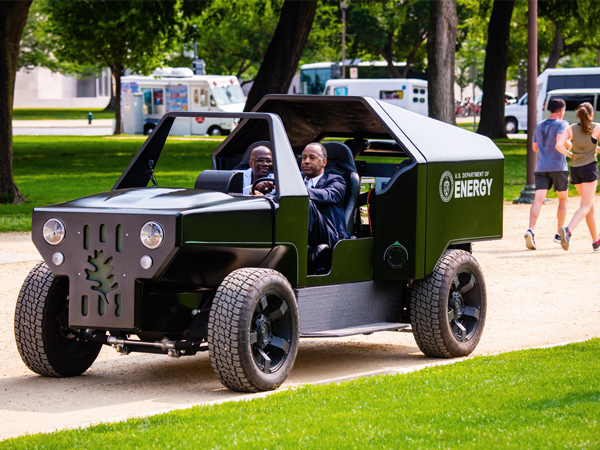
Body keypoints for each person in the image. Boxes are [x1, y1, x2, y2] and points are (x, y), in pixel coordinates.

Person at [524, 98, 571, 250]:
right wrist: (570, 145)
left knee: (538, 200)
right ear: (561, 111)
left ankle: (530, 229)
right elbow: (560, 141)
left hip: (541, 167)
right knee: (563, 199)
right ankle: (559, 232)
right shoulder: (562, 124)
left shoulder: (540, 125)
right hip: (558, 166)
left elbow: (535, 147)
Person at [556, 102, 600, 251]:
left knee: (589, 207)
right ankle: (568, 231)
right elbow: (591, 142)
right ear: (591, 114)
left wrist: (571, 155)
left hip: (575, 169)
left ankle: (596, 242)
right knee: (586, 205)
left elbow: (559, 145)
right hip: (589, 169)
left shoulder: (571, 129)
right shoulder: (597, 127)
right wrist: (593, 149)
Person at [301, 142, 350, 250]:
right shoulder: (296, 181)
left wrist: (298, 191)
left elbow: (329, 195)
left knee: (306, 203)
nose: (306, 161)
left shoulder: (336, 180)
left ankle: (297, 244)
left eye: (312, 158)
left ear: (324, 162)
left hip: (329, 235)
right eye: (304, 158)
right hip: (299, 227)